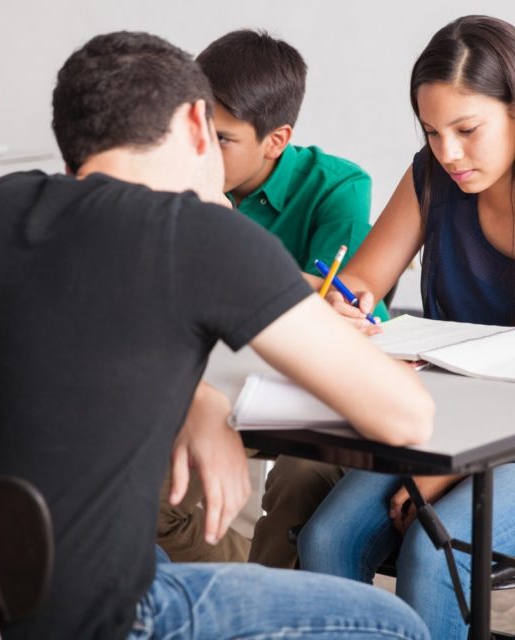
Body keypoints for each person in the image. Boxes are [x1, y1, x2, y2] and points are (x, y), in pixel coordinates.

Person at [0, 31, 434, 640]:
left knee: (162, 552)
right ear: (195, 122)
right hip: (86, 619)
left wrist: (200, 399)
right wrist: (209, 199)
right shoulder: (200, 234)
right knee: (392, 625)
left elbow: (83, 346)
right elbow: (407, 419)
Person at [294, 15, 515, 640]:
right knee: (328, 539)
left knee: (433, 554)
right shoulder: (434, 179)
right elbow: (359, 284)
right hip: (448, 431)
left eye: (467, 130)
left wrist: (448, 472)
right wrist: (334, 303)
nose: (448, 154)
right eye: (433, 133)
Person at [153, 29, 385, 566]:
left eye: (223, 139)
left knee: (299, 487)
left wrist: (229, 240)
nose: (201, 151)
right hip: (220, 380)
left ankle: (264, 594)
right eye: (196, 130)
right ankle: (246, 582)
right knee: (150, 489)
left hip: (315, 385)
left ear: (276, 140)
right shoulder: (172, 174)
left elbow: (334, 309)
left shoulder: (338, 186)